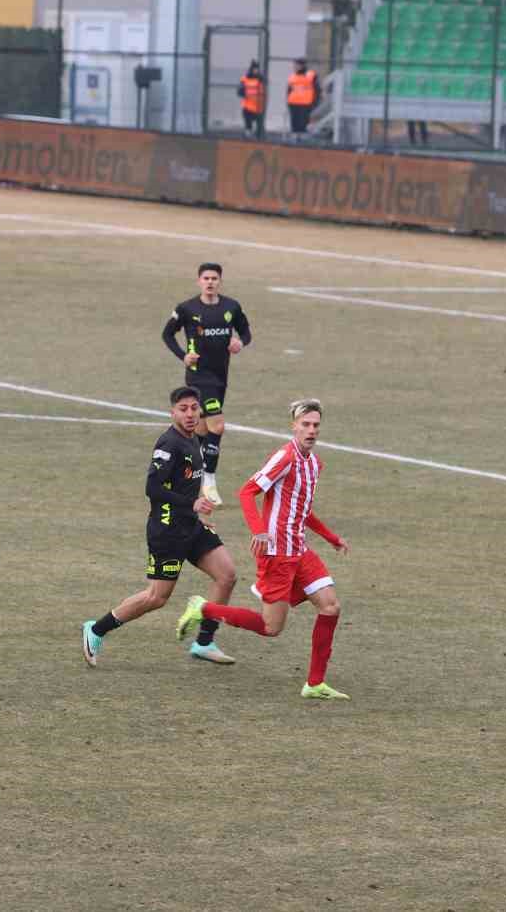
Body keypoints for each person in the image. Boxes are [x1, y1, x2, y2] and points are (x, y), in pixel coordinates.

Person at [174, 398, 352, 701]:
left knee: (331, 606)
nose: (311, 430)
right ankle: (203, 608)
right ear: (293, 426)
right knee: (271, 627)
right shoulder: (285, 457)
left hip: (300, 550)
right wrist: (258, 530)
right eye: (305, 424)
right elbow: (248, 491)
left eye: (315, 425)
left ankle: (314, 683)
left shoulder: (314, 464)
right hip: (278, 556)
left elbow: (302, 509)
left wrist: (331, 537)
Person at [81, 386, 238, 666]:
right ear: (172, 412)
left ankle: (204, 642)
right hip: (168, 531)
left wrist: (199, 508)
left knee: (227, 575)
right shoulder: (169, 444)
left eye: (194, 408)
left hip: (192, 526)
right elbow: (152, 487)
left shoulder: (193, 440)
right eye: (183, 409)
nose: (190, 414)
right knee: (156, 597)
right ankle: (96, 629)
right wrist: (191, 505)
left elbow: (188, 480)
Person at [160, 262, 252, 506]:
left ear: (220, 281)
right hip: (198, 375)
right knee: (218, 425)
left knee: (200, 431)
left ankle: (189, 475)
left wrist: (240, 343)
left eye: (214, 278)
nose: (210, 282)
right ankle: (209, 480)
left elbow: (246, 332)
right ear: (199, 281)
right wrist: (183, 356)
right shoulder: (187, 308)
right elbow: (167, 334)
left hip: (221, 375)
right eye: (206, 278)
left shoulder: (231, 307)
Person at [286, 58, 319, 138]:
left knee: (303, 124)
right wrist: (288, 101)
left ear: (302, 65)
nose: (295, 67)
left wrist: (315, 102)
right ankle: (294, 139)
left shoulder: (311, 75)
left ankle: (302, 141)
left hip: (305, 104)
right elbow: (289, 90)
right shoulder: (292, 76)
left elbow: (317, 89)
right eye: (295, 65)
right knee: (294, 124)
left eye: (297, 65)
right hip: (293, 103)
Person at [237, 60, 266, 139]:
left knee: (259, 125)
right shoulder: (245, 78)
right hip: (247, 106)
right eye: (254, 68)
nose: (255, 70)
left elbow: (263, 93)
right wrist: (243, 92)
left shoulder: (261, 79)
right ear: (251, 69)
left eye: (257, 69)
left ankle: (259, 136)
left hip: (257, 107)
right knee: (248, 123)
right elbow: (239, 91)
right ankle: (248, 135)